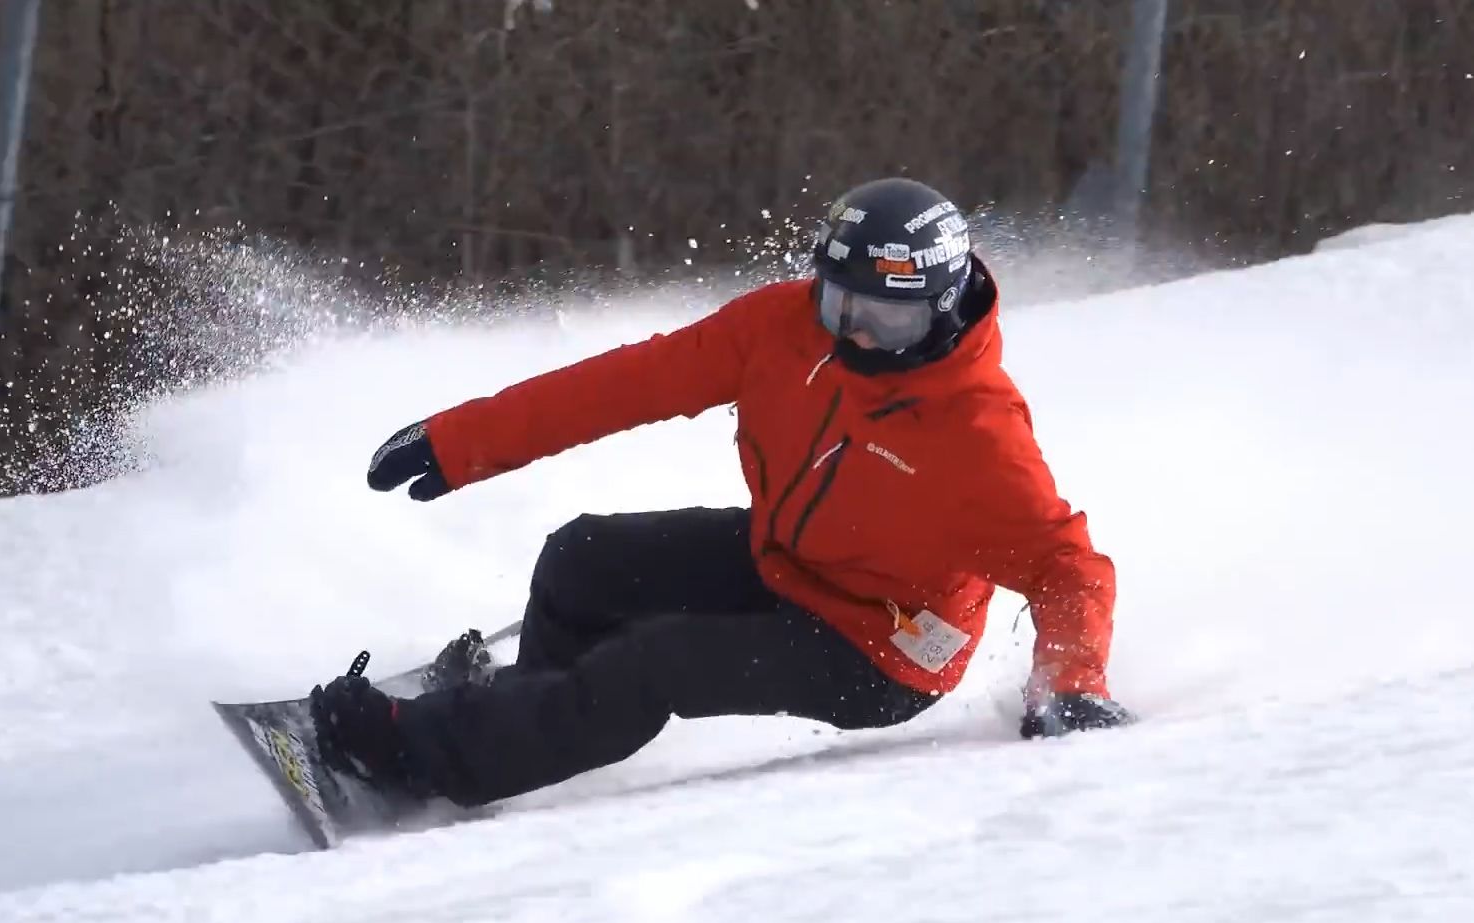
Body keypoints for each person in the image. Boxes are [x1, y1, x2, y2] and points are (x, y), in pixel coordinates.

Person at [309, 177, 1135, 808]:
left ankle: (423, 755)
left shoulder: (975, 433)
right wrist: (463, 442)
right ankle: (520, 717)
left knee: (657, 662)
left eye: (883, 319)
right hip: (787, 563)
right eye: (838, 302)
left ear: (941, 309)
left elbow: (1068, 566)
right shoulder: (785, 327)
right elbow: (631, 382)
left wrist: (1070, 684)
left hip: (881, 648)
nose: (851, 332)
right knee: (582, 557)